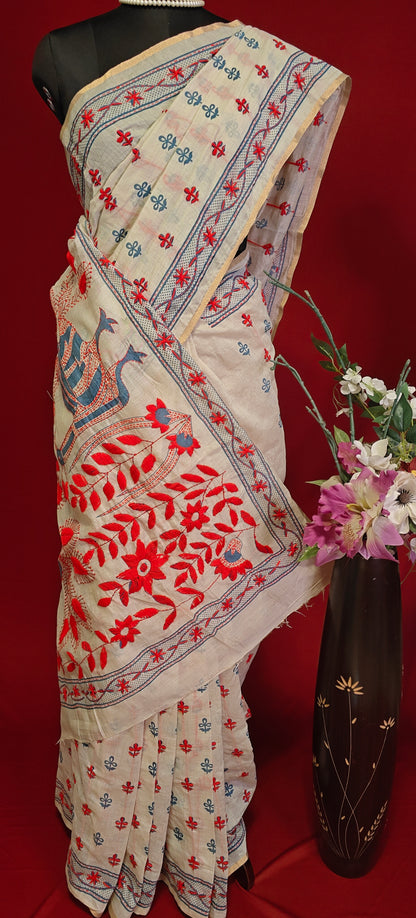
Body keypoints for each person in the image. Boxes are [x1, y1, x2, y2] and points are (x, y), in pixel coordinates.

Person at [33, 3, 350, 916]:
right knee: (112, 596)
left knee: (208, 608)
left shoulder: (256, 64)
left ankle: (202, 829)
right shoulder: (59, 54)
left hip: (222, 383)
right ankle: (118, 829)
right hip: (110, 395)